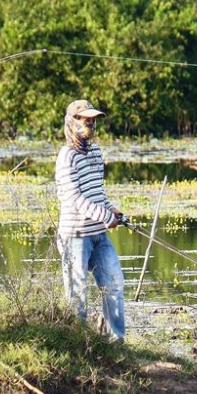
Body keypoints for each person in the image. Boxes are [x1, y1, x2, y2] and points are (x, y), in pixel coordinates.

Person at [55, 99, 127, 342]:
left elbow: (97, 191)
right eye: (86, 120)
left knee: (114, 284)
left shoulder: (96, 152)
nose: (92, 124)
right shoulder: (66, 157)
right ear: (72, 122)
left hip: (99, 235)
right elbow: (74, 198)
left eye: (94, 120)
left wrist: (112, 210)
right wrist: (106, 217)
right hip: (75, 236)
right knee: (77, 294)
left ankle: (114, 343)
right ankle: (79, 345)